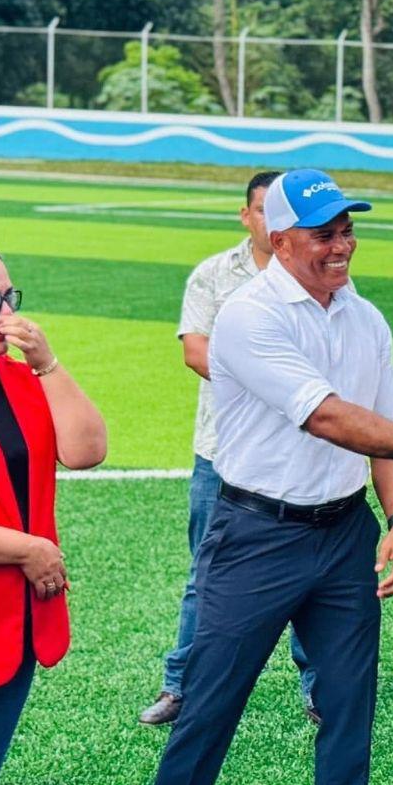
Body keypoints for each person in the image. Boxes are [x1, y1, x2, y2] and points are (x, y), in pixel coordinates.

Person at [149, 169, 393, 785]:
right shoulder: (247, 316)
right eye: (324, 234)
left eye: (347, 231)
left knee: (348, 709)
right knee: (209, 707)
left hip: (345, 533)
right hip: (255, 534)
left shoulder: (364, 318)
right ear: (281, 239)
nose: (341, 245)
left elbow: (387, 427)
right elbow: (328, 416)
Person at [140, 171, 318, 727]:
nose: (271, 221)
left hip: (298, 451)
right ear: (246, 216)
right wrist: (273, 378)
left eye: (279, 212)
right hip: (222, 454)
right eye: (261, 210)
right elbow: (196, 352)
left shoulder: (319, 275)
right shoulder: (215, 275)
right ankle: (181, 687)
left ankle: (319, 687)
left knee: (311, 578)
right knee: (206, 574)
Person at [0, 241, 107, 785]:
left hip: (14, 620)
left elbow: (86, 450)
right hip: (1, 603)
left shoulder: (15, 378)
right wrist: (30, 549)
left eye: (9, 297)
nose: (6, 315)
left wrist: (47, 363)